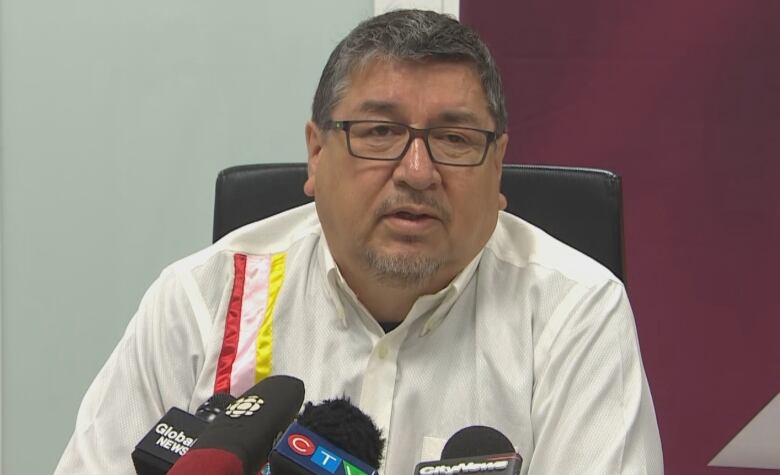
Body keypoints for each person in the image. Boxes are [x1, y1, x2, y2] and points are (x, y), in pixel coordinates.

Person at [55, 9, 663, 475]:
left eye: (454, 139)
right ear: (316, 153)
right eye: (379, 132)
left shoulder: (575, 311)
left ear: (497, 168)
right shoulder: (198, 301)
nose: (418, 172)